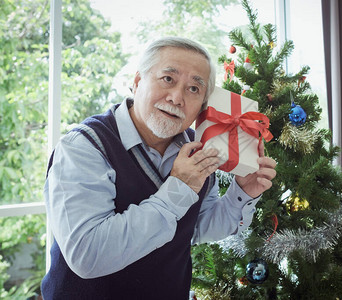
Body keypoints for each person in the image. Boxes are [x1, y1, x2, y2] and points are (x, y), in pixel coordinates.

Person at [41, 37, 277, 299]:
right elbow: (87, 255)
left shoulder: (199, 147)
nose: (177, 98)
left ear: (202, 105)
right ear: (138, 81)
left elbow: (197, 228)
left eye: (194, 89)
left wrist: (242, 192)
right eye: (168, 79)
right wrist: (179, 189)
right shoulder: (85, 147)